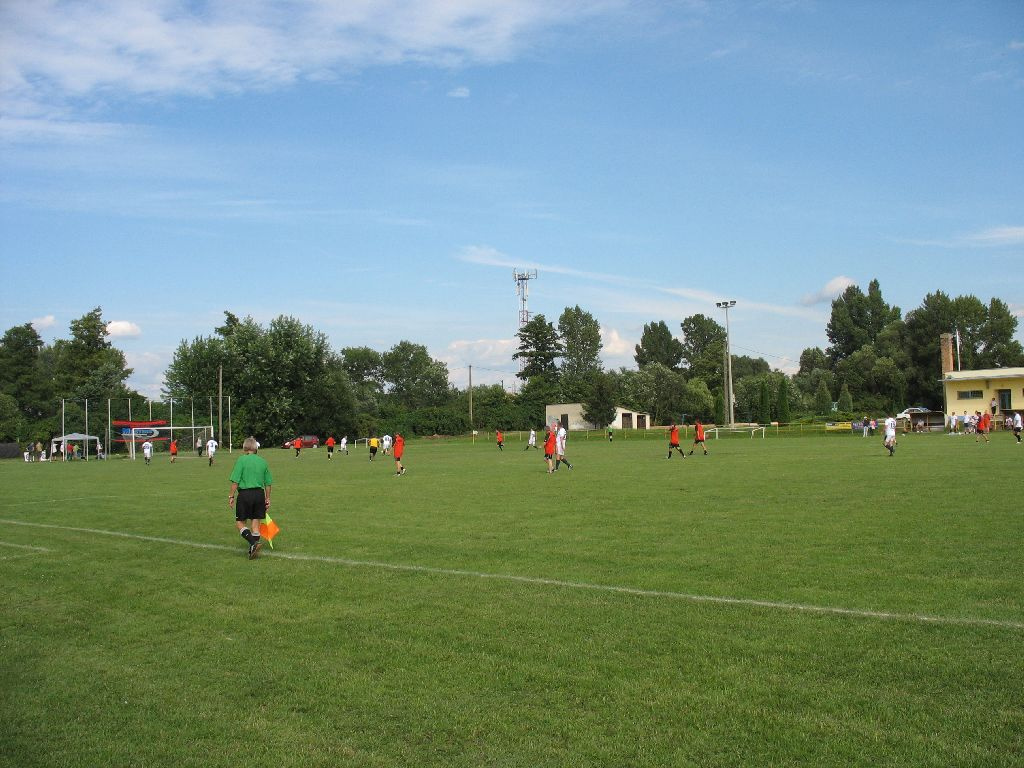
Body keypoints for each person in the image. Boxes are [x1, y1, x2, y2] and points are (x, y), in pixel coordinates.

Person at [228, 436, 273, 560]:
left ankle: (253, 543)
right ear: (256, 448)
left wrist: (231, 496)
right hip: (259, 494)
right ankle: (253, 548)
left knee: (240, 523)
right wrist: (267, 498)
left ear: (245, 448)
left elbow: (235, 481)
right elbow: (268, 483)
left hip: (245, 494)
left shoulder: (241, 460)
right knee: (255, 524)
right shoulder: (262, 461)